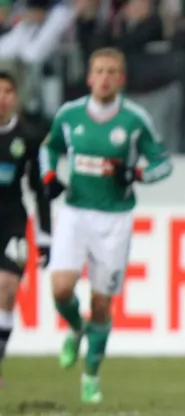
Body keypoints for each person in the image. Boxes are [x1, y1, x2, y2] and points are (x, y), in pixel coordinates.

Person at [39, 47, 173, 403]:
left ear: (121, 79)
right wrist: (49, 175)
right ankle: (75, 328)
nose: (105, 78)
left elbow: (163, 163)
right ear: (89, 77)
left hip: (115, 218)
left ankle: (91, 376)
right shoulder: (70, 115)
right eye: (99, 71)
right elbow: (48, 148)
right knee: (61, 289)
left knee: (101, 303)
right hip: (75, 212)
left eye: (112, 71)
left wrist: (138, 173)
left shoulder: (134, 120)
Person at [0, 71, 51, 386]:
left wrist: (46, 240)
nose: (1, 98)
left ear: (15, 97)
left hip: (11, 221)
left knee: (6, 287)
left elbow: (40, 190)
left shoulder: (29, 137)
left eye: (7, 91)